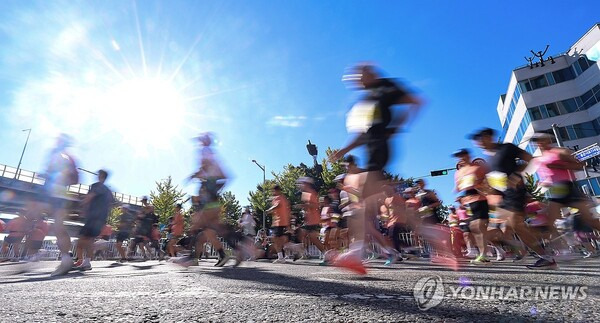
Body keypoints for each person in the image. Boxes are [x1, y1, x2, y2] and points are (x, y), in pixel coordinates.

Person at [470, 128, 555, 269]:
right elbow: (495, 184)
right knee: (499, 232)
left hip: (515, 192)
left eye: (480, 139)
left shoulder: (507, 148)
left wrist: (515, 176)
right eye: (477, 141)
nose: (478, 143)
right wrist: (483, 188)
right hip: (504, 198)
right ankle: (538, 237)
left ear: (488, 137)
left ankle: (546, 256)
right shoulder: (489, 161)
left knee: (517, 226)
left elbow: (529, 159)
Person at [531, 133, 600, 239]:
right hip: (555, 190)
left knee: (589, 220)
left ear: (549, 140)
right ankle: (560, 249)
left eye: (542, 140)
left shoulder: (560, 152)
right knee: (551, 221)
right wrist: (543, 183)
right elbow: (550, 176)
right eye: (537, 141)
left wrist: (559, 165)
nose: (539, 143)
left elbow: (580, 164)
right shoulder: (539, 159)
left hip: (567, 187)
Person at [43, 134, 80, 276]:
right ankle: (66, 257)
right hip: (51, 194)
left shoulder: (65, 157)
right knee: (57, 226)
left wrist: (62, 179)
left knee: (57, 226)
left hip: (58, 195)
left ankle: (66, 258)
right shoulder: (55, 155)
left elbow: (75, 179)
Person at [452, 149, 492, 264]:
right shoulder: (458, 173)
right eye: (459, 156)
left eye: (463, 155)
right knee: (474, 228)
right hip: (468, 201)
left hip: (480, 198)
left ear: (468, 155)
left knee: (478, 226)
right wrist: (457, 189)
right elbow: (458, 186)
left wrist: (478, 183)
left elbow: (487, 182)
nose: (461, 158)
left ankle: (484, 254)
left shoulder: (477, 168)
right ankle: (484, 252)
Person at [74, 170, 113, 271]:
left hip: (93, 217)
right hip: (100, 219)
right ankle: (85, 262)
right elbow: (110, 205)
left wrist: (82, 205)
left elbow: (90, 197)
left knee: (82, 240)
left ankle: (83, 260)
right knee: (88, 240)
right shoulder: (108, 191)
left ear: (100, 176)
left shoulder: (96, 186)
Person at [266, 185, 291, 264]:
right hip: (283, 221)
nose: (273, 193)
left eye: (273, 191)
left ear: (276, 190)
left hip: (279, 222)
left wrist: (269, 210)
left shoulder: (278, 198)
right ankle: (283, 253)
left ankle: (281, 257)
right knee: (279, 240)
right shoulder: (283, 198)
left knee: (275, 239)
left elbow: (277, 205)